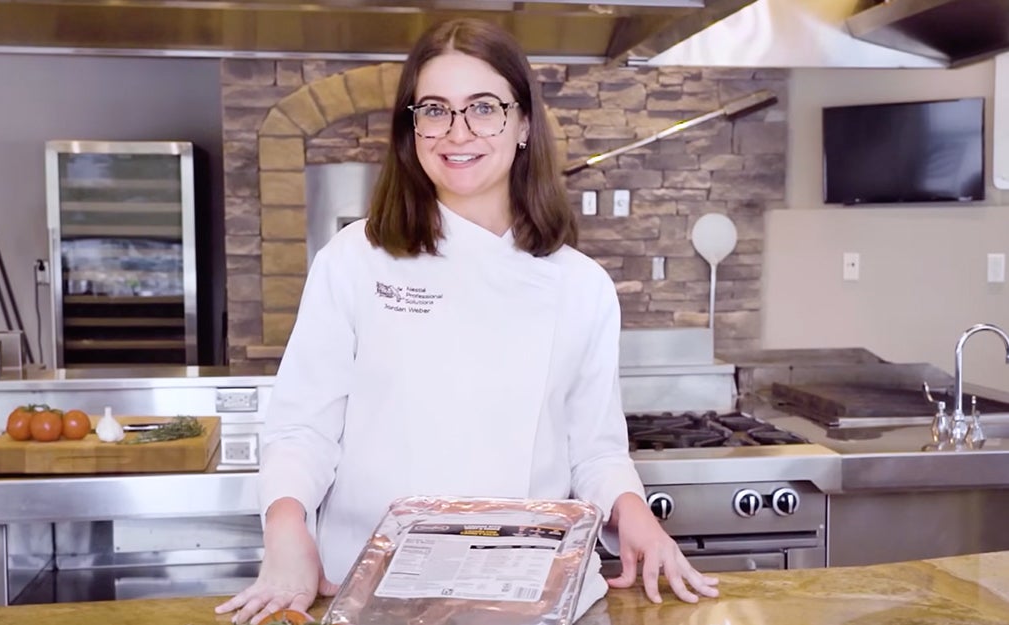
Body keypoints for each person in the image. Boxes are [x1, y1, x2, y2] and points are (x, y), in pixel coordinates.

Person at [216, 17, 719, 625]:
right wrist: (287, 526)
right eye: (435, 109)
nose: (458, 132)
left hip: (526, 593)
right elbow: (303, 430)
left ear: (524, 122)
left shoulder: (580, 285)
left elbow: (594, 449)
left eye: (484, 107)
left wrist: (632, 511)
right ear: (412, 126)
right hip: (372, 590)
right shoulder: (354, 259)